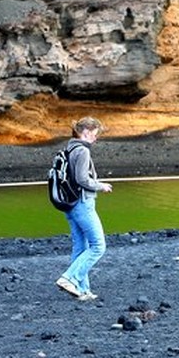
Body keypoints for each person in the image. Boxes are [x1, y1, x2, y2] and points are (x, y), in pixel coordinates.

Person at [55, 116, 112, 302]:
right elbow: (82, 179)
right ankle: (69, 278)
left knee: (80, 247)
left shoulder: (69, 148)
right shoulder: (82, 151)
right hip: (82, 204)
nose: (95, 139)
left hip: (70, 205)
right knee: (98, 246)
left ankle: (82, 290)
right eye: (94, 135)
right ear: (86, 132)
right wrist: (100, 185)